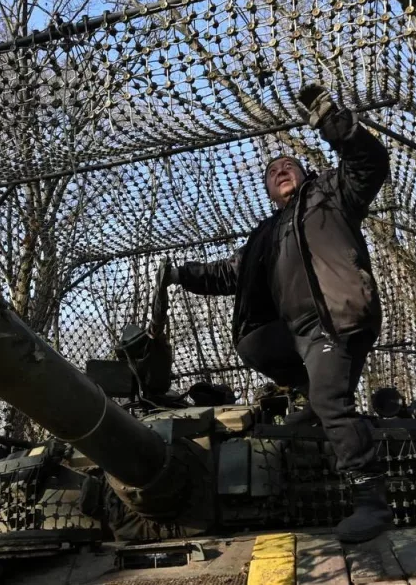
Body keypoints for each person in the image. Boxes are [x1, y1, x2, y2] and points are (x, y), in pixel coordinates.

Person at [166, 83, 392, 543]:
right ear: (270, 190)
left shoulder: (330, 195)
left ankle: (371, 501)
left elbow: (369, 163)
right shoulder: (265, 235)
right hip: (294, 333)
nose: (281, 169)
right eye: (273, 171)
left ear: (305, 173)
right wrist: (180, 273)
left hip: (336, 315)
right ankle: (312, 404)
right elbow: (226, 274)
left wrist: (335, 124)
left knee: (332, 401)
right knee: (274, 368)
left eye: (288, 164)